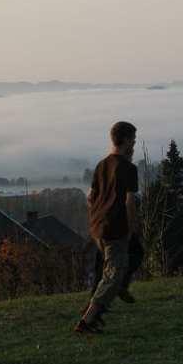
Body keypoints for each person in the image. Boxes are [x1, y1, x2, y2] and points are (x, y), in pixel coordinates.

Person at [76, 121, 139, 333]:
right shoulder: (129, 168)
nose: (134, 145)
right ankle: (88, 319)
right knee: (113, 275)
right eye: (134, 141)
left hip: (97, 227)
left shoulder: (101, 165)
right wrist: (133, 228)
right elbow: (129, 202)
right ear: (127, 141)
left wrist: (97, 216)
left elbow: (90, 198)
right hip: (115, 228)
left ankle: (96, 311)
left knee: (112, 268)